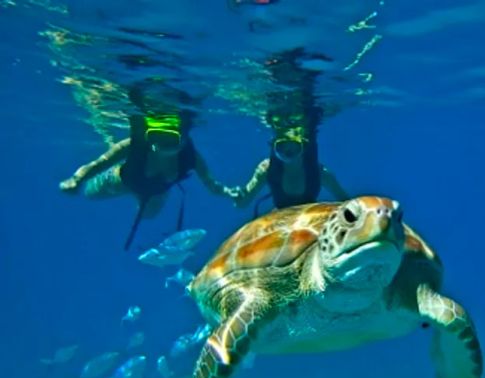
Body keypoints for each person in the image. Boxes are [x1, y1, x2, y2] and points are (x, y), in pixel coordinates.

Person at [59, 112, 236, 249]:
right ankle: (112, 150)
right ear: (149, 136)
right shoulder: (133, 145)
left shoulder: (191, 157)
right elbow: (99, 164)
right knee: (90, 194)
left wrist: (228, 192)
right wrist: (77, 180)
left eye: (170, 139)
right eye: (156, 136)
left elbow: (211, 183)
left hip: (155, 195)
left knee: (149, 216)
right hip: (120, 182)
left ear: (183, 138)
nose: (162, 144)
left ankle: (138, 199)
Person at [228, 49, 349, 214]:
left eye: (294, 148)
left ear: (304, 147)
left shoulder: (319, 173)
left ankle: (286, 66)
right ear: (274, 147)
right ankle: (298, 68)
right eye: (282, 147)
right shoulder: (266, 169)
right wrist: (237, 195)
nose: (288, 153)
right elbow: (242, 203)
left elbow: (348, 204)